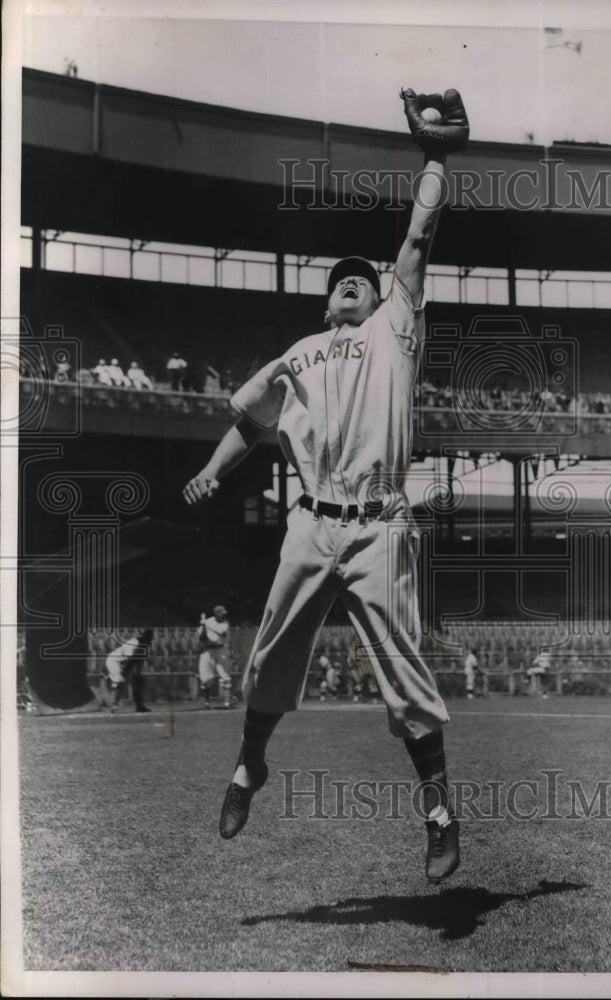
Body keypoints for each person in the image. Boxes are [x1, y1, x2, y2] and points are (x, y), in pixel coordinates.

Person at [183, 86, 469, 883]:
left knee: (404, 670)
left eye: (360, 278)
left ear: (381, 298)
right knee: (270, 655)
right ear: (324, 298)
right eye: (339, 279)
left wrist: (437, 157)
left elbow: (417, 236)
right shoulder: (300, 352)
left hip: (378, 522)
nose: (350, 282)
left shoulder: (393, 330)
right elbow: (249, 421)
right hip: (310, 522)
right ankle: (249, 767)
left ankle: (439, 812)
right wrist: (210, 472)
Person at [104, 629, 154, 712]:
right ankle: (114, 706)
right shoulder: (135, 642)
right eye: (150, 637)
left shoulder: (144, 645)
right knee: (119, 681)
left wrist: (138, 674)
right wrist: (124, 672)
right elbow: (130, 660)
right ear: (145, 636)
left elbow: (138, 661)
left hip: (123, 662)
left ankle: (139, 706)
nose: (151, 639)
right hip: (114, 660)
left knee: (138, 681)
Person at [197, 606, 233, 709]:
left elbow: (221, 633)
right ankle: (207, 702)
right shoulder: (208, 622)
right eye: (221, 613)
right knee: (206, 678)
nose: (224, 615)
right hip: (207, 650)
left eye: (224, 613)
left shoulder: (225, 623)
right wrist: (203, 626)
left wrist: (206, 624)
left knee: (225, 676)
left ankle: (227, 703)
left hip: (221, 650)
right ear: (216, 613)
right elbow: (201, 638)